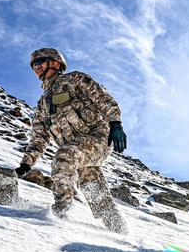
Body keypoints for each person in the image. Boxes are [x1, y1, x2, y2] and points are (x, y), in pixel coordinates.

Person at [15, 48, 128, 234]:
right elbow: (39, 137)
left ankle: (60, 211)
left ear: (56, 63)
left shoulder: (74, 80)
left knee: (63, 157)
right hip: (79, 152)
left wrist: (116, 124)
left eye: (40, 62)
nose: (36, 67)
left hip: (97, 138)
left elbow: (103, 100)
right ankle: (122, 234)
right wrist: (26, 164)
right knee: (97, 196)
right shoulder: (42, 104)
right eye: (33, 65)